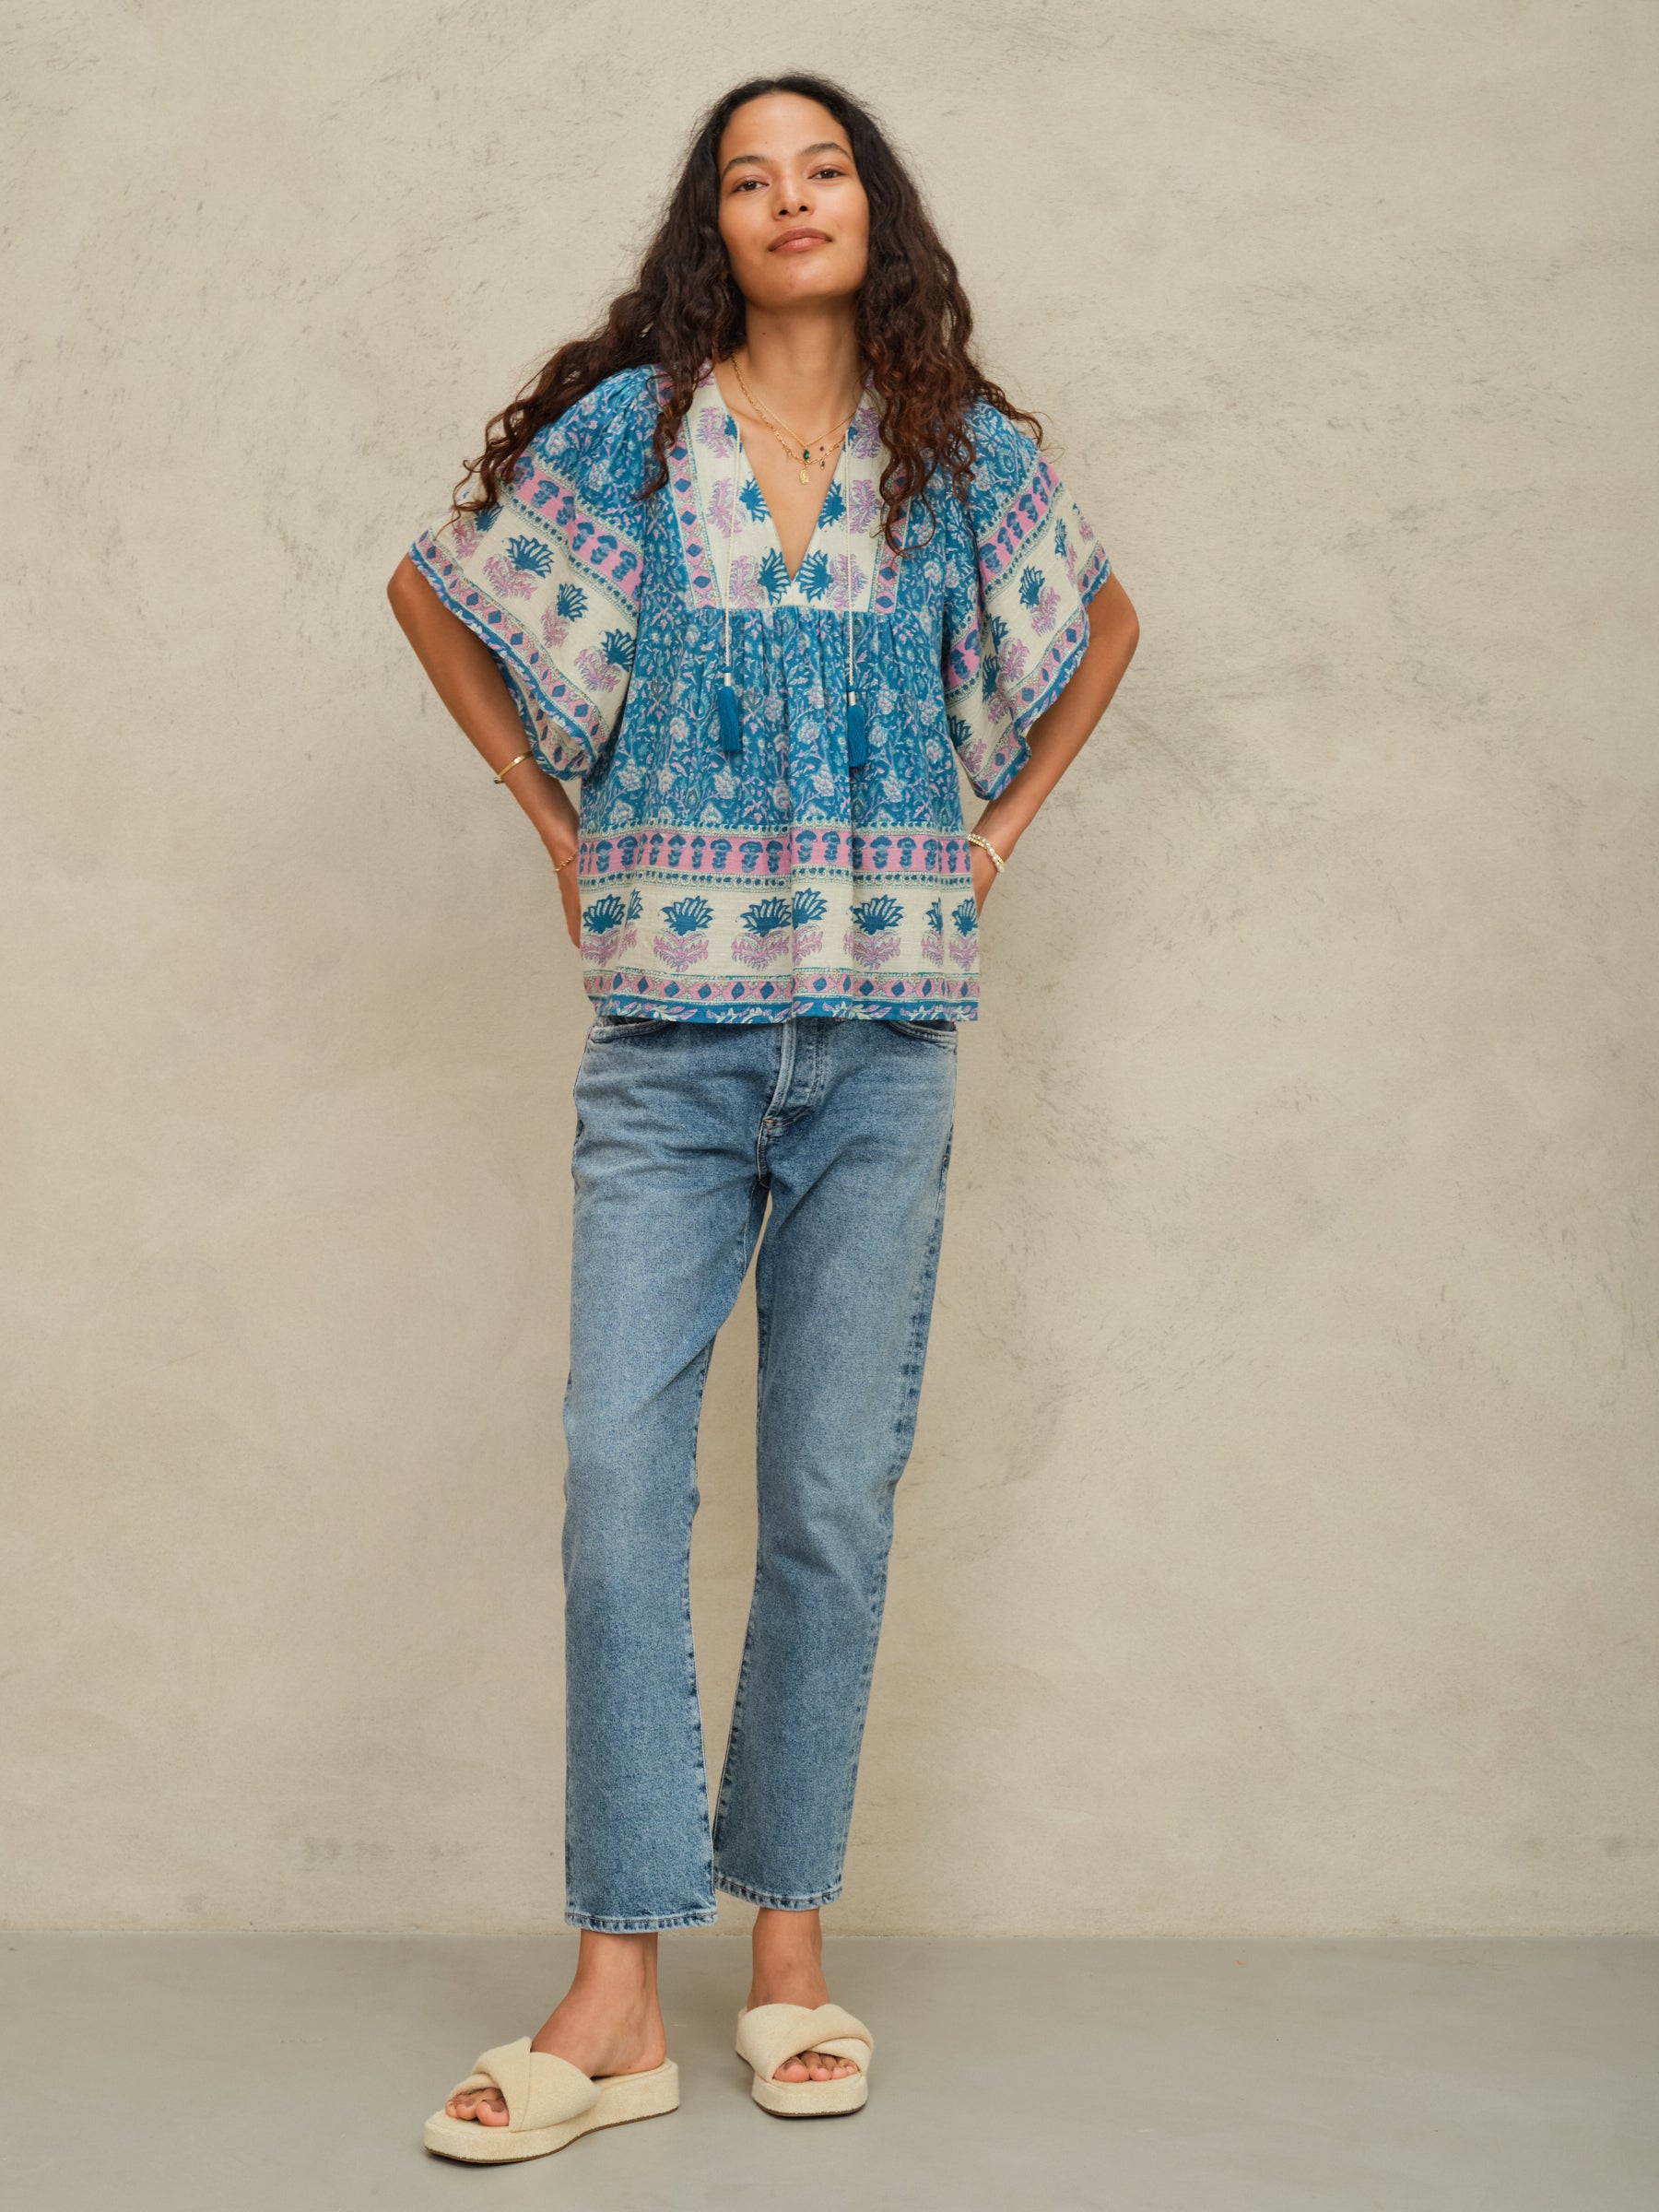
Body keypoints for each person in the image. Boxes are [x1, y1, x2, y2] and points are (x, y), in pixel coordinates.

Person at [388, 71, 1138, 2165]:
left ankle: (792, 1954)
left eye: (822, 171)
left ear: (871, 212)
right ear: (708, 226)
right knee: (618, 1477)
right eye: (749, 178)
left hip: (890, 1039)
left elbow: (1101, 627)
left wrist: (992, 834)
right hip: (670, 1039)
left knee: (825, 1500)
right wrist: (555, 824)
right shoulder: (634, 438)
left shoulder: (957, 453)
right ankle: (618, 1988)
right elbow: (438, 592)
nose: (789, 199)